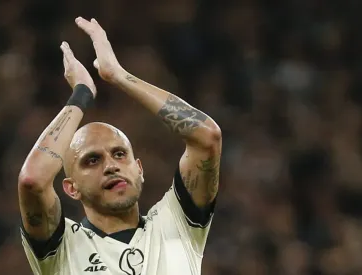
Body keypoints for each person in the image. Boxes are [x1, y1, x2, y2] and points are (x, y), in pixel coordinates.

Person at [18, 17, 222, 275]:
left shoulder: (176, 223)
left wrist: (119, 75)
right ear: (71, 188)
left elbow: (207, 137)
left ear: (139, 168)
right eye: (92, 160)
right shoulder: (62, 248)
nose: (111, 166)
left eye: (119, 154)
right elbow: (32, 180)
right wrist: (81, 93)